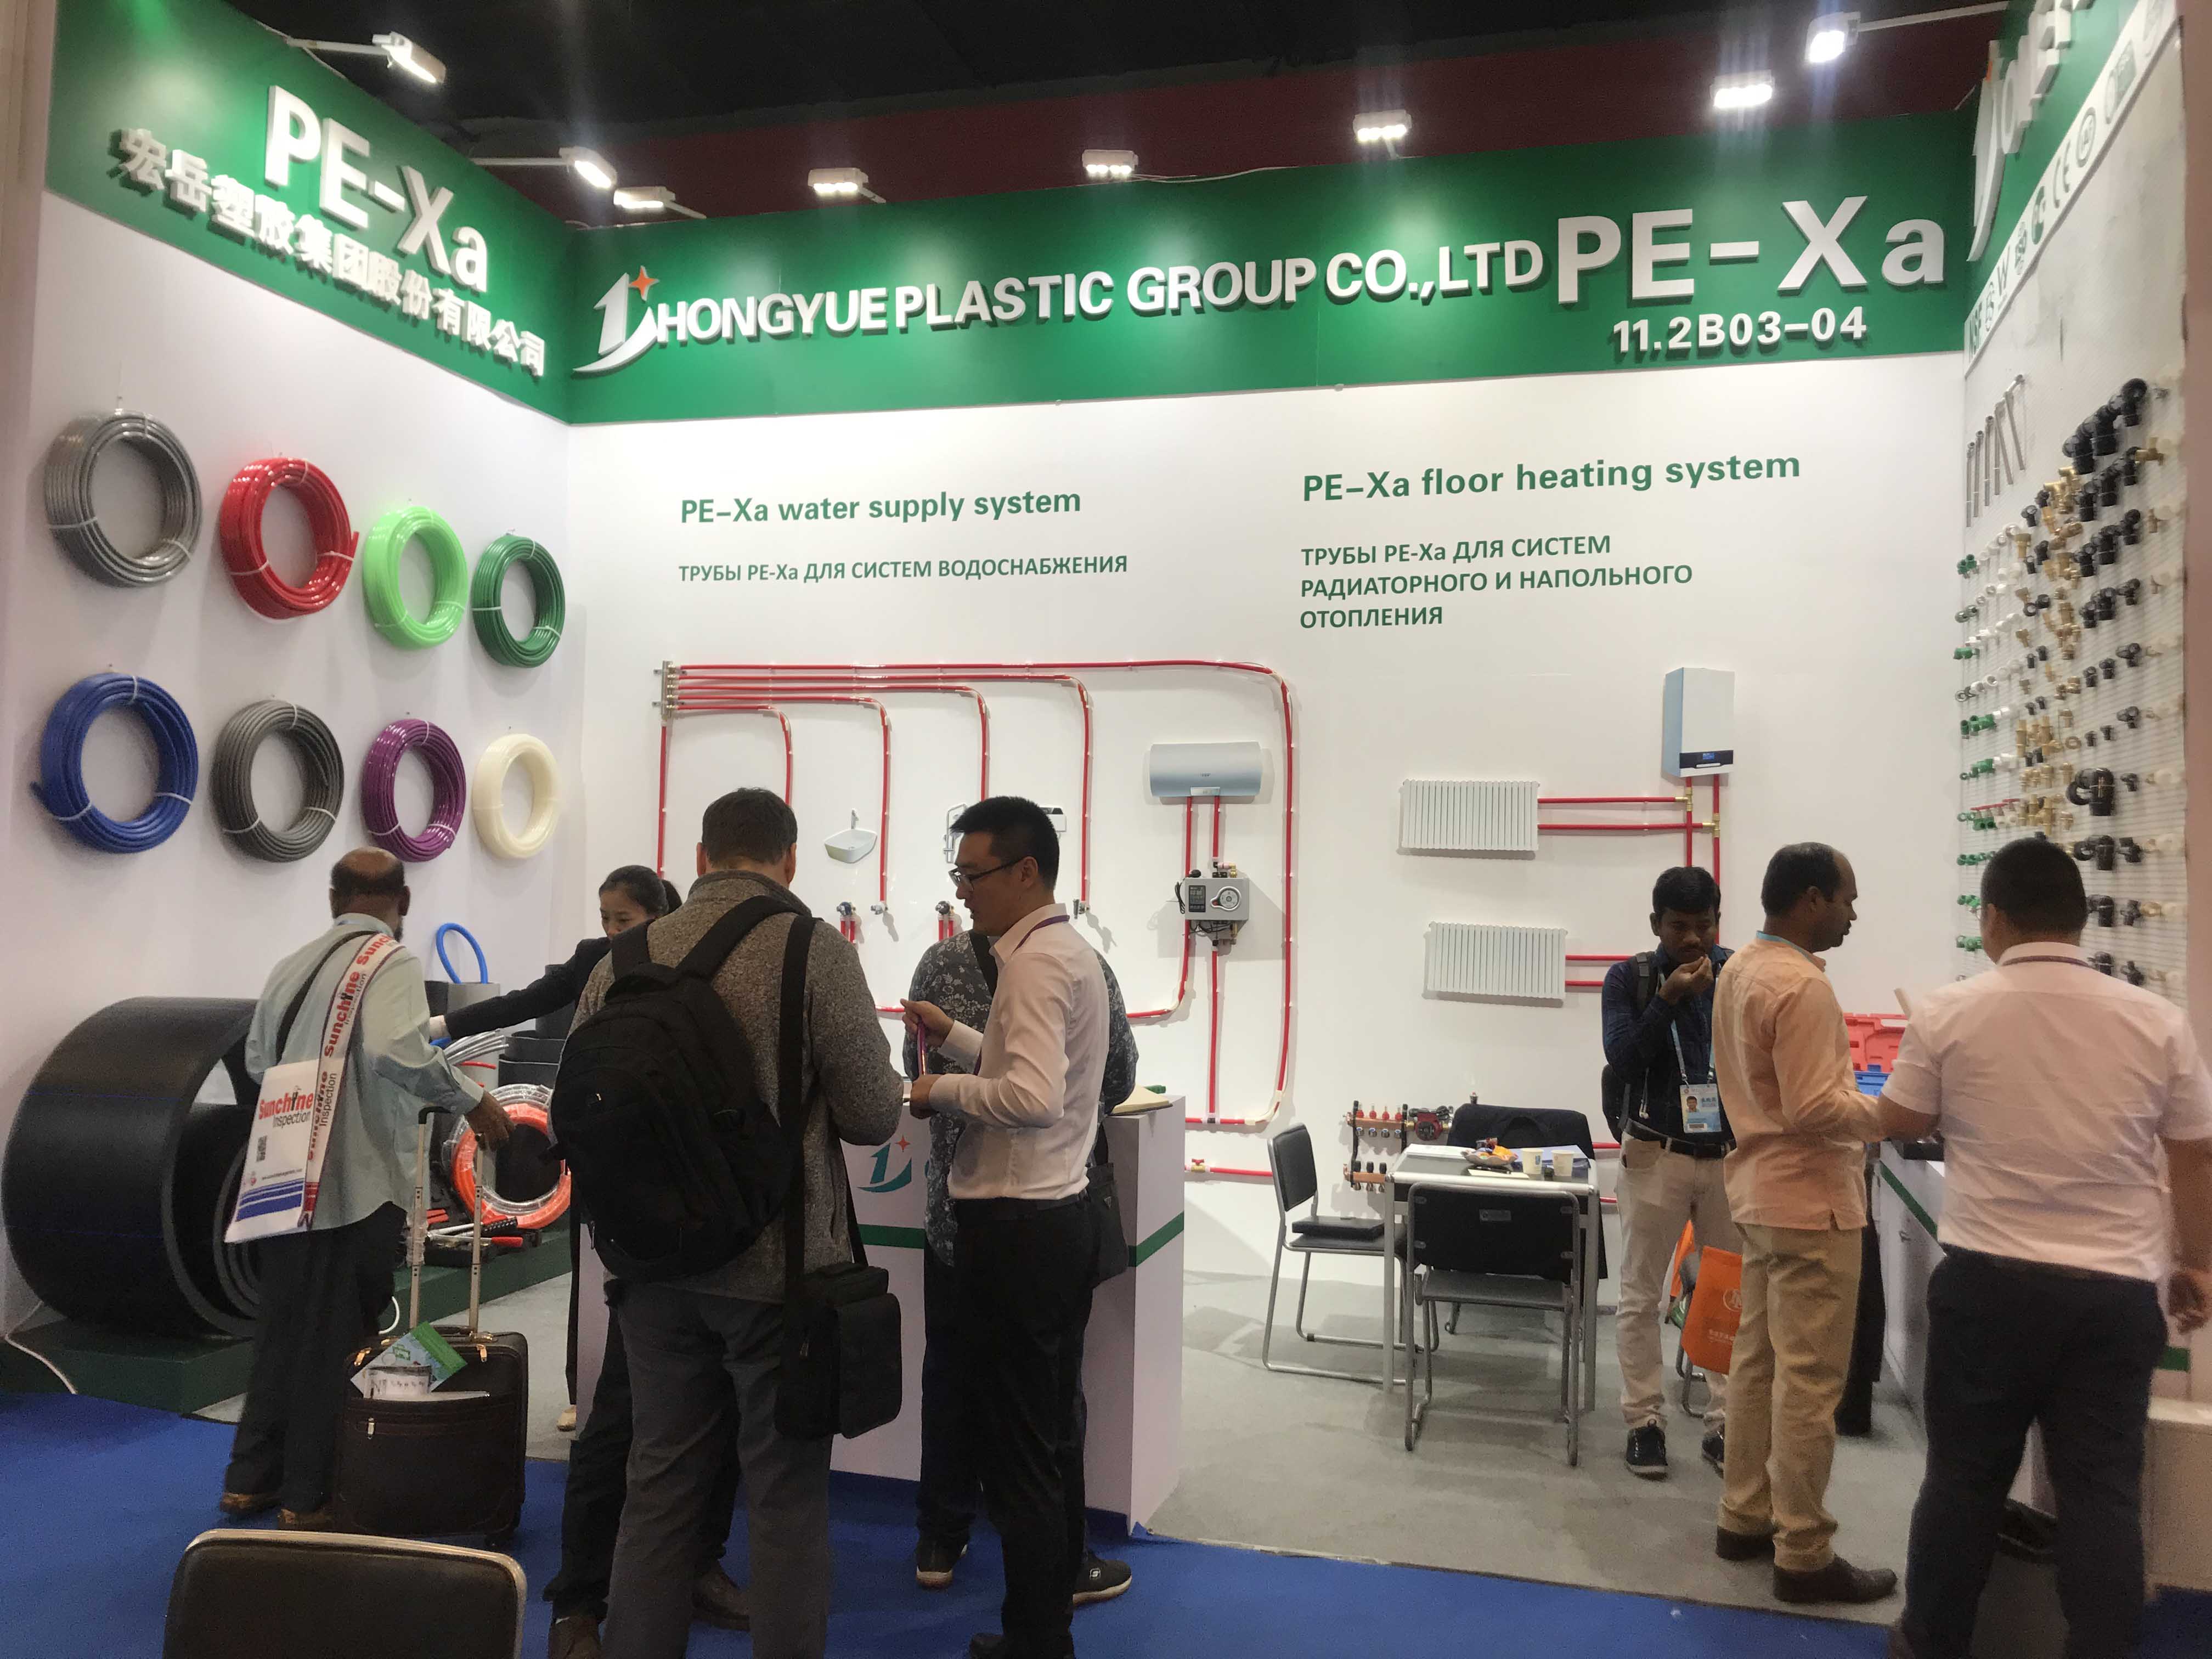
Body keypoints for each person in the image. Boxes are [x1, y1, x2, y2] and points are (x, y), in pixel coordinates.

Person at [580, 788, 902, 1659]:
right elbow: (873, 1114)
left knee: (659, 1486)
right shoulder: (812, 950)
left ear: (700, 856)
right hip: (778, 1271)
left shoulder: (625, 956)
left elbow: (586, 1100)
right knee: (785, 1500)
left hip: (651, 1267)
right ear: (789, 860)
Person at [1877, 838, 2212, 1659]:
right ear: (2081, 919)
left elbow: (1903, 1120)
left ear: (1992, 917)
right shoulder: (2156, 1020)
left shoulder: (1949, 1012)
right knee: (2101, 1494)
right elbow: (2195, 1154)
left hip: (1989, 1287)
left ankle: (1932, 1641)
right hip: (2113, 1295)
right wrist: (2196, 1262)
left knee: (1963, 1480)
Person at [219, 848, 514, 1528]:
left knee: (282, 1329)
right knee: (338, 1336)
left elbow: (257, 1060)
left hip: (280, 1177)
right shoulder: (392, 962)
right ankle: (310, 1494)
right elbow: (395, 1051)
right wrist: (470, 1098)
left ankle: (250, 1479)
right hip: (354, 1183)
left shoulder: (290, 965)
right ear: (402, 903)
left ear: (333, 899)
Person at [904, 796, 1109, 1659]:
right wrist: (956, 1037)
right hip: (1058, 1219)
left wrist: (935, 1089)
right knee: (1044, 1437)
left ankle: (1036, 1639)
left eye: (973, 875)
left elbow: (1030, 1097)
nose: (963, 891)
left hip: (1017, 1228)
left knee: (1020, 1456)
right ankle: (1043, 1628)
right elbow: (1034, 1069)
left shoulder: (1030, 964)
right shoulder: (1068, 952)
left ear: (1025, 872)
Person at [1708, 842, 1893, 1605]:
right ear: (1812, 899)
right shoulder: (1802, 987)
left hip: (1760, 1196)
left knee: (1755, 1366)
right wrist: (1896, 1114)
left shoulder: (1739, 970)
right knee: (1811, 1384)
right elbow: (1817, 1107)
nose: (1853, 915)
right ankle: (1805, 1553)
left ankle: (1744, 1515)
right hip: (1812, 1206)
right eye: (1848, 899)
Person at [1601, 865, 1740, 1481]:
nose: (1692, 939)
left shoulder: (1739, 976)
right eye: (1679, 926)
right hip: (1655, 1154)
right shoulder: (1629, 979)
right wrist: (1668, 1001)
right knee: (1640, 1295)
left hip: (1729, 1158)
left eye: (1703, 926)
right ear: (1656, 923)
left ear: (1718, 921)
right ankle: (1644, 1423)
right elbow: (1623, 1058)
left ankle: (1726, 1424)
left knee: (1731, 1296)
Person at [431, 865, 685, 1045]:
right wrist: (440, 1025)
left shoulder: (678, 964)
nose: (611, 930)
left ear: (657, 918)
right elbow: (523, 1003)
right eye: (605, 918)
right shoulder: (590, 958)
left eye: (624, 920)